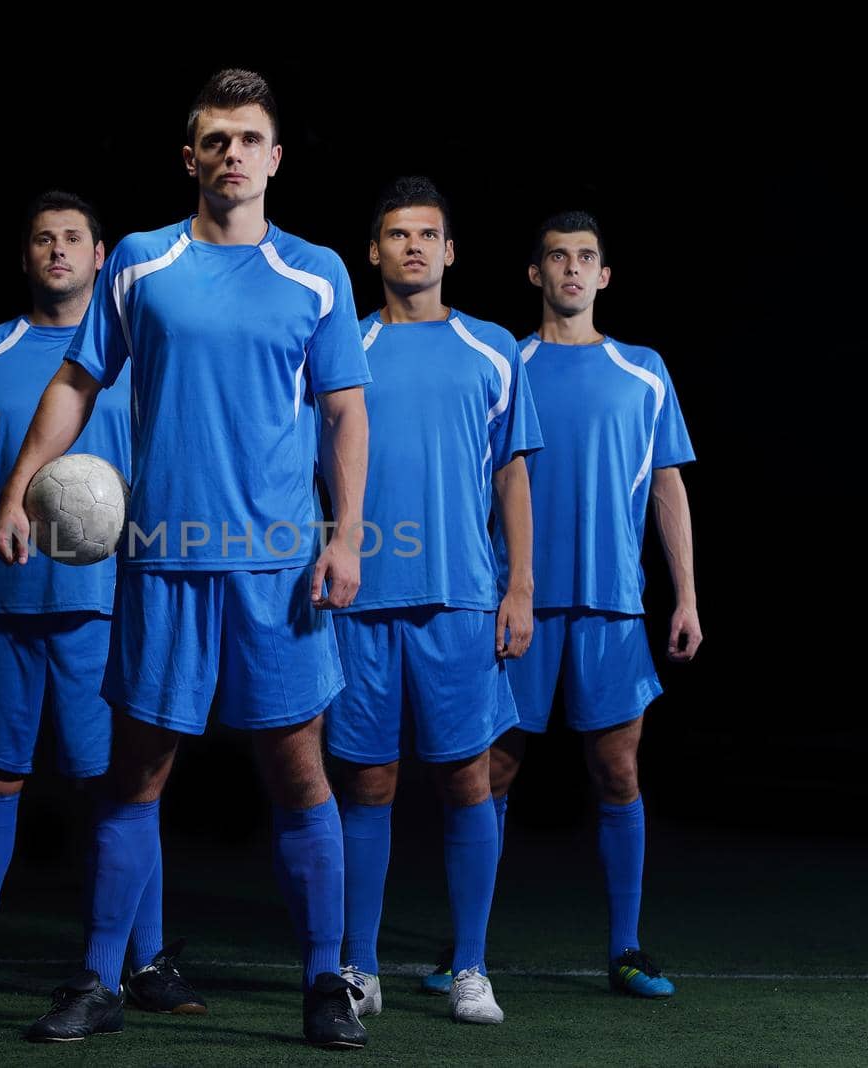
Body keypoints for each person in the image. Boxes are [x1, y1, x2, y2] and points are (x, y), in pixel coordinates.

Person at [0, 70, 374, 1048]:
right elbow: (79, 379)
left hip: (277, 566)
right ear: (190, 157)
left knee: (297, 773)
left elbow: (343, 411)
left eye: (250, 138)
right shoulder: (138, 265)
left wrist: (343, 534)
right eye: (215, 139)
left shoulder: (317, 271)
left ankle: (325, 983)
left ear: (275, 157)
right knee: (136, 775)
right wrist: (17, 487)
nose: (232, 154)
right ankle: (97, 980)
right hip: (162, 560)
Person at [0, 191, 203, 1015]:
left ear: (102, 256)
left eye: (73, 238)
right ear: (26, 256)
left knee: (122, 788)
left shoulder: (139, 359)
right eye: (43, 239)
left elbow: (179, 467)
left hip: (108, 607)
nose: (58, 250)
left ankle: (144, 964)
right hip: (1, 601)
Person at [328, 178, 541, 1025]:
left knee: (467, 781)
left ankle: (471, 969)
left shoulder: (491, 348)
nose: (411, 246)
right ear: (372, 252)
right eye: (394, 234)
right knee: (368, 783)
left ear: (450, 251)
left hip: (461, 599)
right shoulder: (344, 344)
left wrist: (519, 586)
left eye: (427, 234)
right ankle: (360, 967)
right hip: (361, 598)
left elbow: (512, 474)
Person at [487, 210, 701, 999]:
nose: (571, 269)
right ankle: (467, 949)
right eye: (556, 257)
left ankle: (627, 947)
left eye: (586, 258)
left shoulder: (644, 370)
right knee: (491, 772)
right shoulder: (504, 363)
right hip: (519, 606)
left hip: (613, 608)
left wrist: (687, 596)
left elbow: (669, 485)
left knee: (617, 770)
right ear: (535, 273)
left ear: (604, 276)